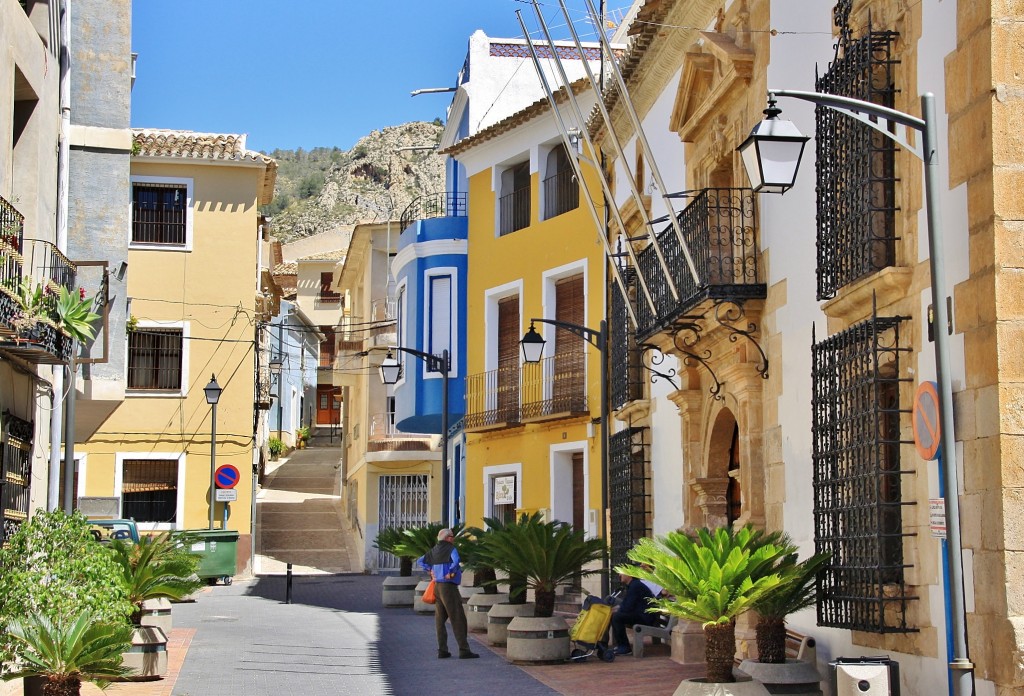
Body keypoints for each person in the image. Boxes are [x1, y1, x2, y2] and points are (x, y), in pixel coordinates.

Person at [417, 528, 480, 659]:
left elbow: (420, 561)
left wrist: (429, 570)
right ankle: (464, 650)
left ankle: (442, 650)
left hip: (437, 587)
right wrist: (451, 572)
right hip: (448, 587)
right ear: (447, 538)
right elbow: (456, 561)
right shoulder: (451, 549)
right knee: (458, 617)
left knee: (440, 619)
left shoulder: (434, 550)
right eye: (452, 536)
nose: (454, 538)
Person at [610, 572, 659, 655]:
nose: (619, 575)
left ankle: (624, 647)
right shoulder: (633, 585)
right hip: (641, 615)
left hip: (645, 618)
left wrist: (616, 610)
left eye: (621, 573)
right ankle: (620, 645)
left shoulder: (635, 586)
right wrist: (614, 609)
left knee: (617, 617)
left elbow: (627, 608)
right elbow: (626, 604)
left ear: (629, 574)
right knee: (614, 615)